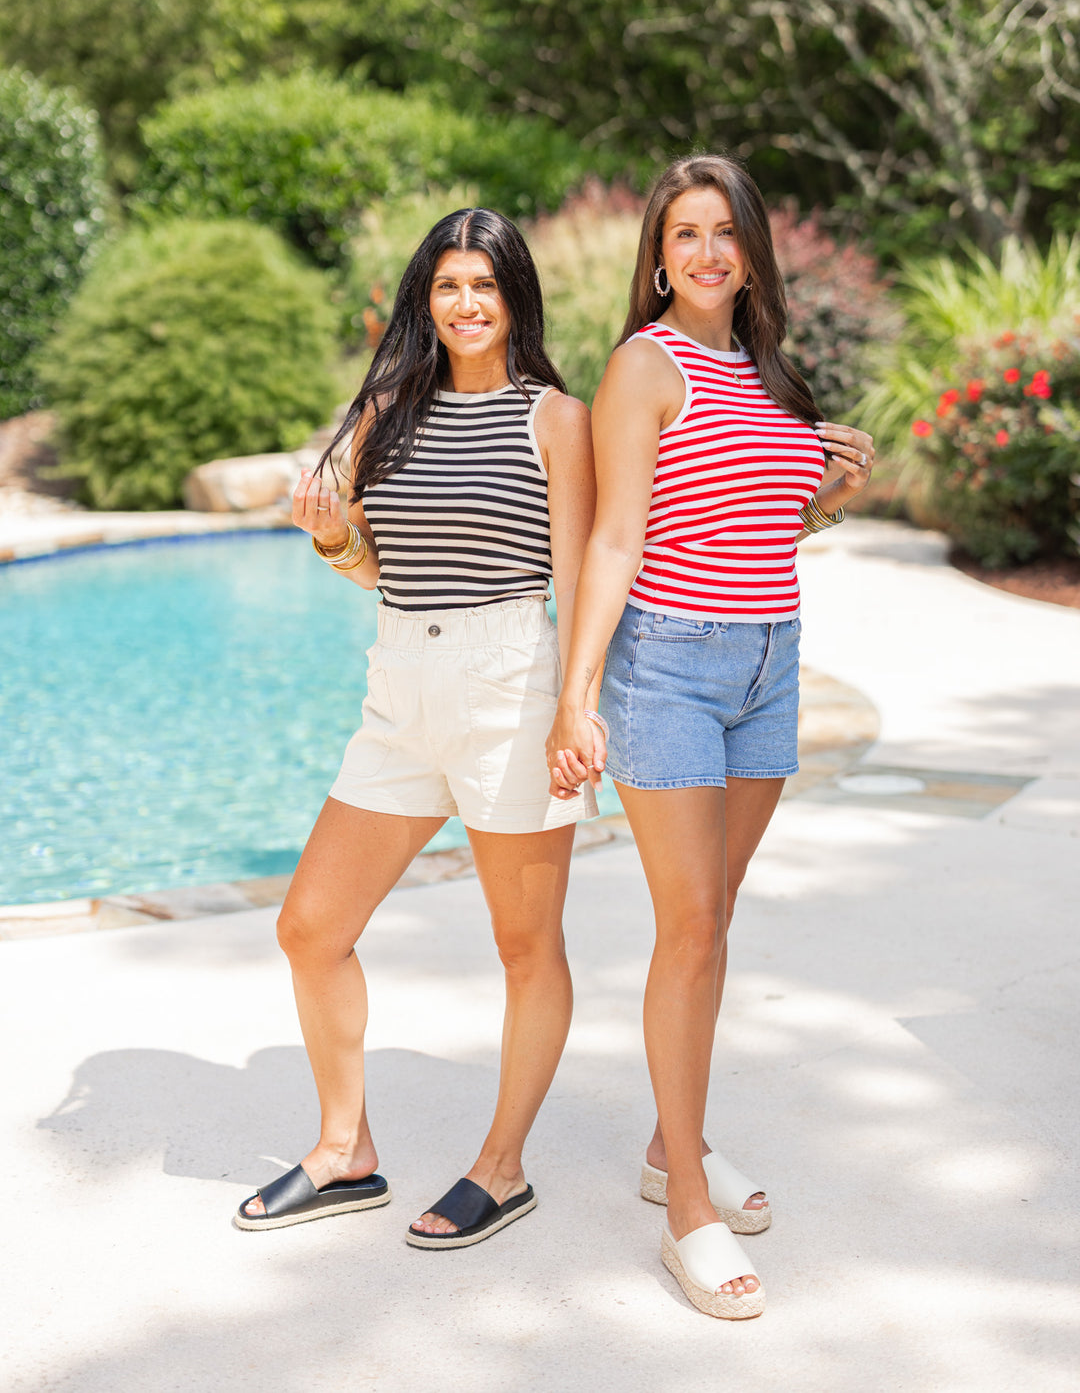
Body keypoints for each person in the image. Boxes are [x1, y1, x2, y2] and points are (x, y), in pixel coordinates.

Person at [545, 155, 874, 1318]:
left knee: (714, 916)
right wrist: (577, 691)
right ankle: (684, 1199)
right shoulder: (645, 365)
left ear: (751, 251)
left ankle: (665, 1140)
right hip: (670, 669)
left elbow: (756, 518)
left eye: (725, 230)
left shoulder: (771, 369)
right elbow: (616, 539)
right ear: (657, 254)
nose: (706, 251)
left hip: (770, 664)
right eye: (684, 232)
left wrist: (830, 492)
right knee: (687, 929)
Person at [235, 207, 598, 1249]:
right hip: (399, 682)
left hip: (510, 685)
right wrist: (331, 537)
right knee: (311, 925)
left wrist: (576, 704)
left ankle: (502, 1167)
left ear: (514, 296)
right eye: (448, 285)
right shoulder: (388, 409)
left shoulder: (554, 419)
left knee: (525, 946)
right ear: (424, 298)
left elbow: (578, 578)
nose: (466, 303)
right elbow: (372, 568)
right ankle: (345, 1149)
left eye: (485, 284)